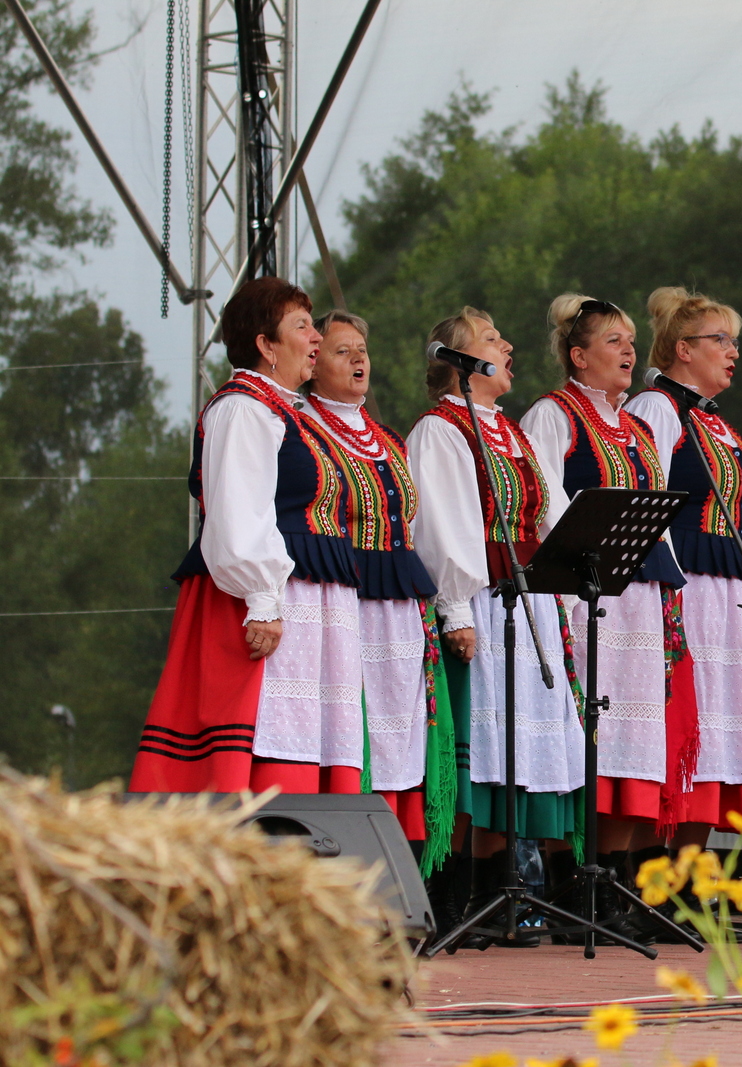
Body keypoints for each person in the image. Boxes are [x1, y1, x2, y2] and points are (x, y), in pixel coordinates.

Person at [132, 277, 363, 794]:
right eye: (302, 327)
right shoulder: (244, 408)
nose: (316, 339)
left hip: (299, 600)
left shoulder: (286, 411)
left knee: (305, 746)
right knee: (259, 750)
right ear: (266, 344)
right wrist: (262, 600)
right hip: (256, 601)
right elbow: (238, 512)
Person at [407, 307, 583, 928]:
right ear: (459, 360)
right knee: (476, 744)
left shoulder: (512, 433)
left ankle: (504, 887)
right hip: (479, 600)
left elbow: (552, 515)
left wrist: (570, 574)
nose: (507, 345)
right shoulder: (440, 429)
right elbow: (442, 527)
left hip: (527, 596)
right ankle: (459, 892)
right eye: (491, 339)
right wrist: (456, 609)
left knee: (514, 746)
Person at [521, 293, 692, 906]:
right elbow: (541, 506)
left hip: (640, 597)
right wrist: (563, 597)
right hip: (585, 597)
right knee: (586, 732)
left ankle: (615, 883)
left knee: (633, 739)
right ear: (578, 356)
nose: (628, 350)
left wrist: (673, 592)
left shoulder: (642, 426)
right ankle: (573, 883)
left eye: (629, 340)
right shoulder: (552, 415)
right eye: (613, 342)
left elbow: (660, 514)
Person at [302, 310, 453, 873]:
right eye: (343, 351)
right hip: (346, 602)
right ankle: (350, 860)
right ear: (312, 362)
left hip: (399, 603)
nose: (359, 359)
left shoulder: (388, 437)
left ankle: (401, 869)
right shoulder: (302, 427)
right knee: (356, 727)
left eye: (362, 349)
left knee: (403, 728)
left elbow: (413, 524)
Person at [624, 287, 742, 835]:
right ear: (683, 349)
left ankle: (688, 882)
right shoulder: (656, 407)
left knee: (721, 738)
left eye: (735, 342)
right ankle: (652, 879)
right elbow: (646, 498)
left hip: (728, 592)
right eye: (721, 340)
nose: (733, 352)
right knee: (689, 728)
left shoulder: (713, 420)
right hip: (686, 586)